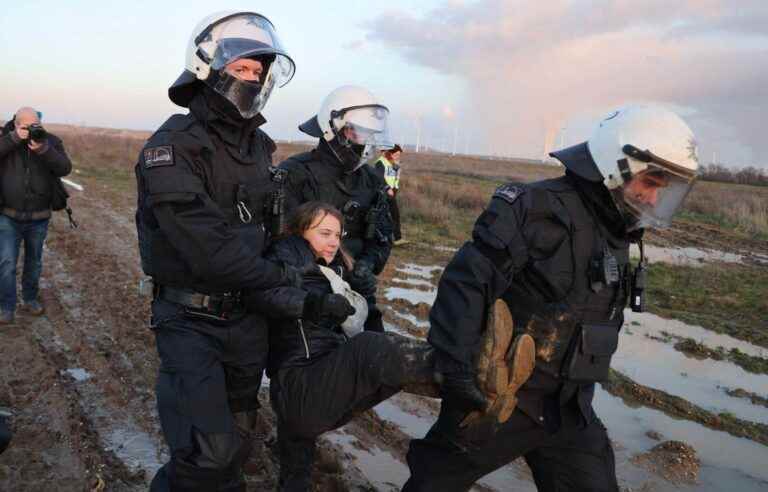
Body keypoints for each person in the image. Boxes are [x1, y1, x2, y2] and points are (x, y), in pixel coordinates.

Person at [403, 105, 700, 491]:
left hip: (570, 410)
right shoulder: (535, 208)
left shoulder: (618, 229)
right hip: (502, 399)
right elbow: (467, 282)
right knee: (433, 483)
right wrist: (456, 365)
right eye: (650, 183)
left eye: (663, 189)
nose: (653, 199)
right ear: (616, 166)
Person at [134, 11, 303, 491]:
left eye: (258, 71)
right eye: (241, 68)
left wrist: (295, 258)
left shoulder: (261, 150)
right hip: (191, 323)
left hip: (247, 325)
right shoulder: (172, 147)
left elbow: (275, 231)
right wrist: (285, 282)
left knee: (237, 447)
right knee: (204, 456)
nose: (251, 79)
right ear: (208, 68)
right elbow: (208, 249)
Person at [244, 201, 436, 491]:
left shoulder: (336, 274)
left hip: (314, 392)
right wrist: (313, 304)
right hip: (300, 387)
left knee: (296, 473)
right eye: (325, 233)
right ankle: (461, 370)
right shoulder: (286, 257)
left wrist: (366, 299)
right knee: (370, 349)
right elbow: (265, 294)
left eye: (338, 235)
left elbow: (372, 333)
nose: (334, 241)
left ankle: (467, 384)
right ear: (300, 231)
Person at [280, 85, 394, 333]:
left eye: (370, 135)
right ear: (334, 129)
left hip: (357, 295)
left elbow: (383, 237)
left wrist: (365, 265)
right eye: (359, 133)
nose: (365, 143)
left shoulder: (372, 181)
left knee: (374, 359)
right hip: (308, 297)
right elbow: (281, 242)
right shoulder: (296, 173)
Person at [0, 108, 72, 324]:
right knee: (6, 262)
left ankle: (30, 299)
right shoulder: (6, 140)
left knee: (34, 262)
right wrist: (13, 139)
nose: (32, 129)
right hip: (8, 215)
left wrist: (44, 150)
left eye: (36, 125)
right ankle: (6, 306)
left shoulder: (50, 142)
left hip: (39, 216)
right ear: (16, 124)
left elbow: (65, 168)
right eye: (26, 126)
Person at [374, 144, 407, 245]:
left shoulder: (394, 164)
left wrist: (395, 188)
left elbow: (395, 178)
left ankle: (397, 238)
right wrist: (387, 188)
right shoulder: (380, 162)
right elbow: (379, 178)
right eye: (396, 154)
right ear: (390, 153)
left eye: (399, 155)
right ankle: (391, 238)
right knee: (384, 216)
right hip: (383, 193)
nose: (398, 157)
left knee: (394, 215)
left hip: (392, 193)